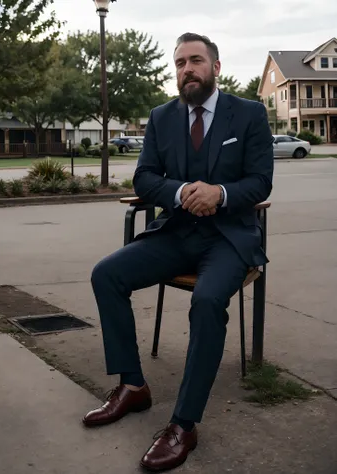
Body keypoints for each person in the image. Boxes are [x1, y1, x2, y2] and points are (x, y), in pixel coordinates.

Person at [82, 32, 274, 472]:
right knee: (106, 274)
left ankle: (183, 424)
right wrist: (182, 190)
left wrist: (220, 193)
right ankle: (132, 386)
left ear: (216, 68)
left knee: (207, 302)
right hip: (176, 233)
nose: (187, 70)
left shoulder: (247, 114)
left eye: (195, 61)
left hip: (228, 237)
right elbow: (145, 178)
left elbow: (260, 181)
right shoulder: (161, 117)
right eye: (180, 63)